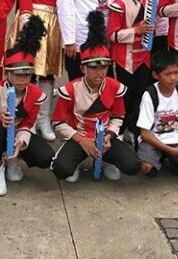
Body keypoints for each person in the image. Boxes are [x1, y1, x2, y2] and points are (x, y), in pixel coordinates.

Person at [51, 11, 141, 182]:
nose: (99, 73)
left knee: (133, 166)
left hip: (104, 137)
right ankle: (76, 159)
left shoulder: (114, 87)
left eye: (104, 67)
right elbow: (58, 122)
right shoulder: (70, 89)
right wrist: (81, 140)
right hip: (80, 136)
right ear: (83, 68)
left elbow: (118, 116)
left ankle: (107, 160)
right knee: (62, 170)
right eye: (93, 67)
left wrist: (110, 135)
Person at [0, 16, 55, 195]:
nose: (23, 79)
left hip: (18, 133)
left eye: (27, 75)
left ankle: (14, 161)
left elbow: (28, 123)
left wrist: (20, 142)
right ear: (7, 73)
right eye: (18, 74)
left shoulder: (36, 95)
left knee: (46, 156)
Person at [13, 0, 71, 141]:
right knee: (28, 72)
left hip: (56, 21)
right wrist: (26, 19)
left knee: (48, 74)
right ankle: (26, 118)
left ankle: (44, 119)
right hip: (34, 19)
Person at [108, 0, 153, 139]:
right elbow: (113, 35)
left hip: (144, 58)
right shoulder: (118, 4)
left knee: (140, 96)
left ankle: (134, 131)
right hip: (124, 60)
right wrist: (136, 30)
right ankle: (119, 130)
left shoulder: (149, 1)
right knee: (123, 97)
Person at [136, 51, 178, 177]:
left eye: (176, 73)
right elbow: (144, 133)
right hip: (154, 139)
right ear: (156, 75)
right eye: (167, 74)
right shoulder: (150, 95)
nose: (173, 78)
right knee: (145, 168)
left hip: (177, 137)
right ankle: (164, 156)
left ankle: (173, 160)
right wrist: (171, 150)